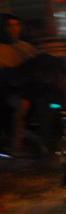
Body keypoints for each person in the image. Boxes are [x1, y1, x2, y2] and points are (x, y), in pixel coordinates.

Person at [0, 13, 39, 155]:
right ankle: (17, 143)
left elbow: (39, 62)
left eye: (16, 25)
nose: (14, 28)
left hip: (30, 86)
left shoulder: (26, 46)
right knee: (22, 104)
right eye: (9, 25)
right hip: (9, 89)